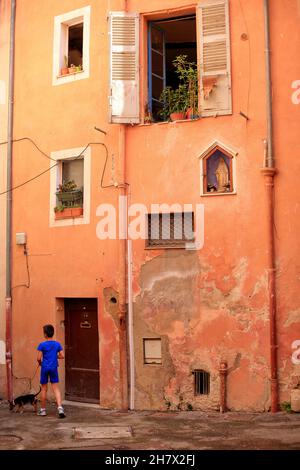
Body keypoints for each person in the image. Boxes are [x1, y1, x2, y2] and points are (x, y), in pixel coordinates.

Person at [37, 324, 66, 418]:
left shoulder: (42, 345)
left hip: (45, 367)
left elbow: (38, 357)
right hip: (54, 367)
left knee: (44, 389)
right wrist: (55, 356)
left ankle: (43, 410)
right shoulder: (57, 344)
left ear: (45, 334)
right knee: (56, 388)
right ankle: (60, 408)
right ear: (52, 333)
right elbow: (62, 356)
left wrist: (40, 363)